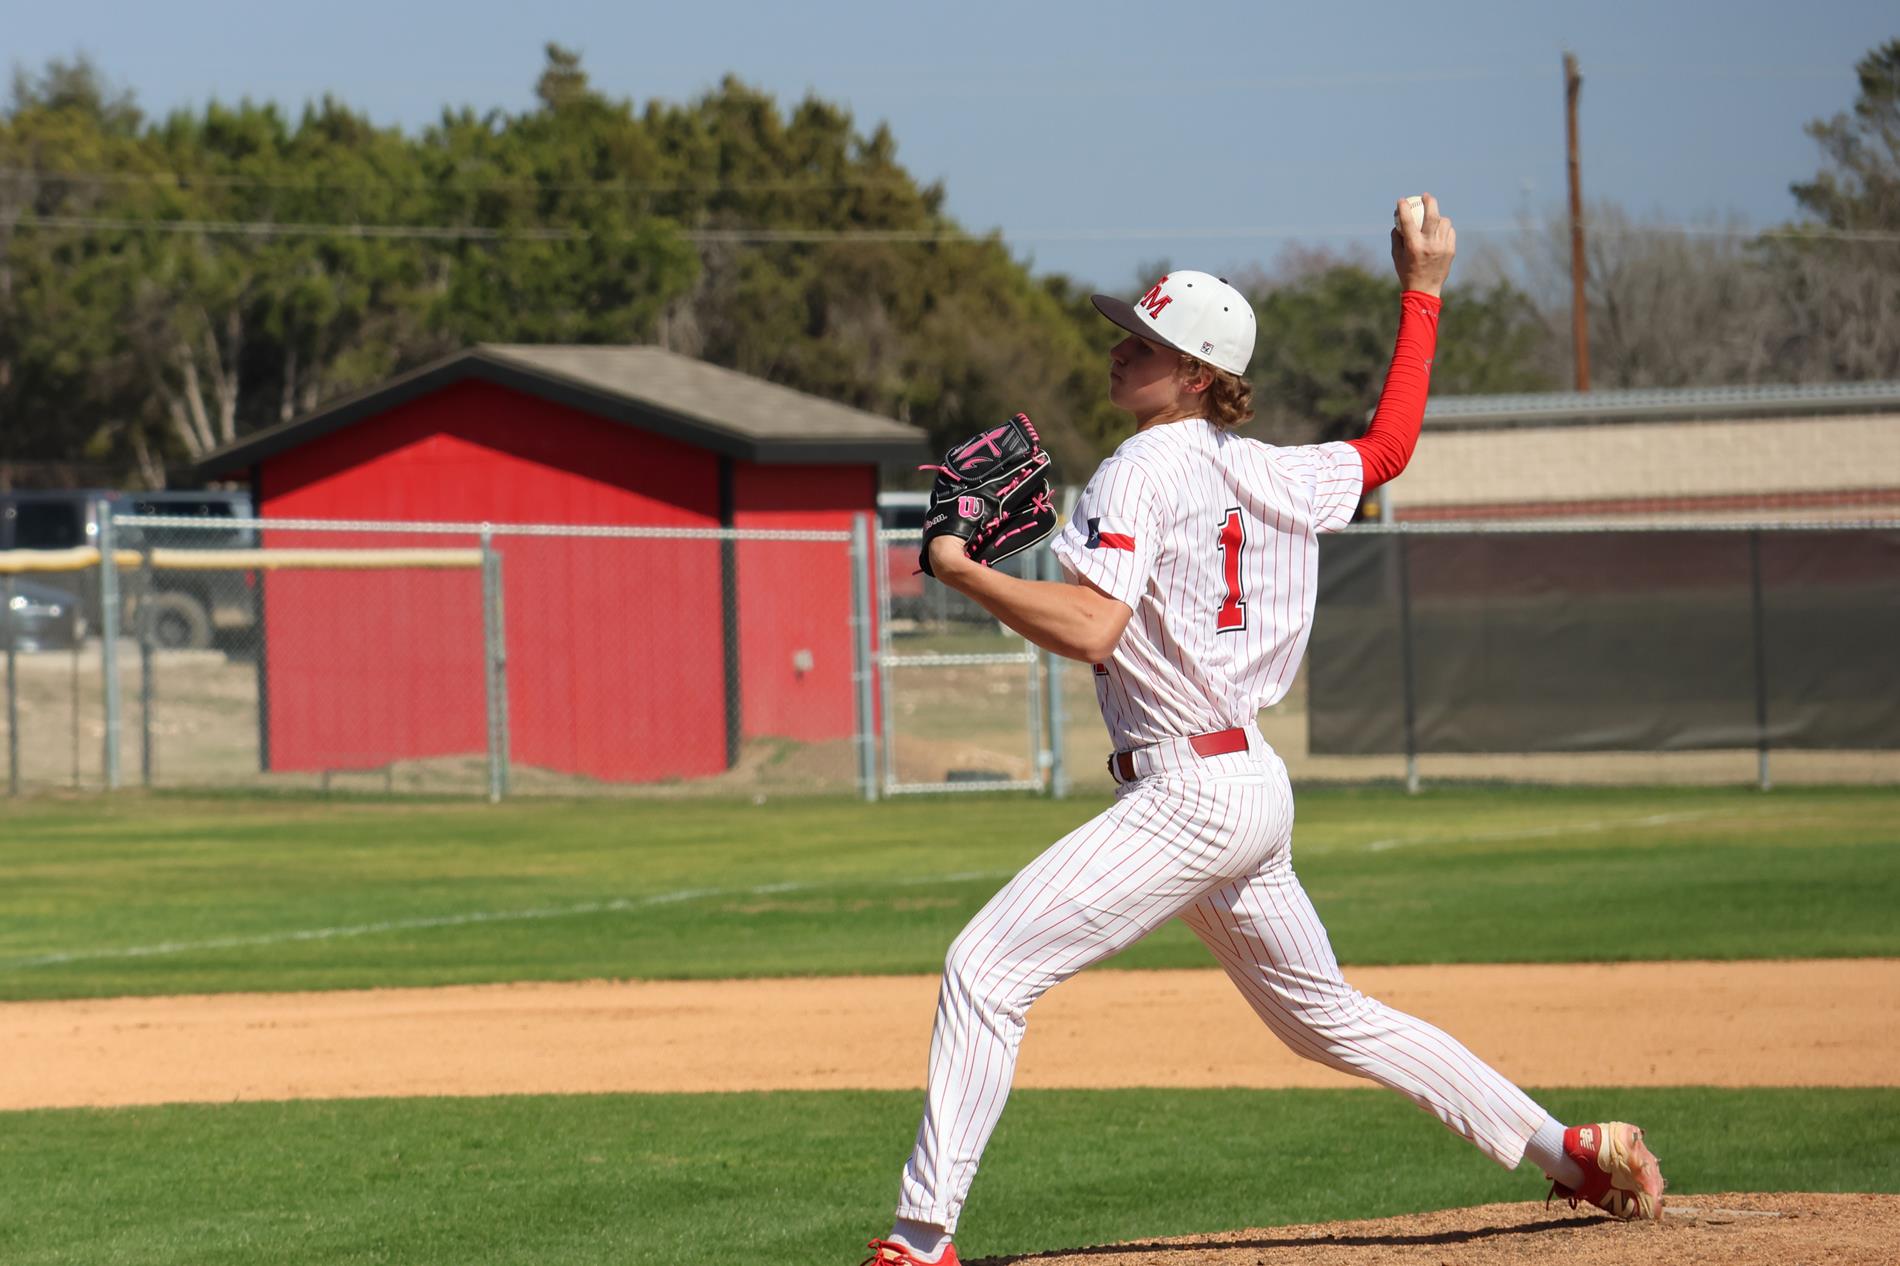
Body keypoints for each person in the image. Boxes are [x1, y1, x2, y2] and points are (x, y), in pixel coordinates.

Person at [859, 195, 1663, 1266]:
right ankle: (1570, 1151)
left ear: (1194, 373)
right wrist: (1420, 291)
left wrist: (963, 570)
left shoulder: (1141, 469)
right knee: (1328, 1018)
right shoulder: (1262, 468)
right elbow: (1386, 448)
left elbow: (1094, 627)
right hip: (1245, 786)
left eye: (1143, 345)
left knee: (984, 971)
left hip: (1187, 795)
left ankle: (919, 1242)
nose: (1118, 354)